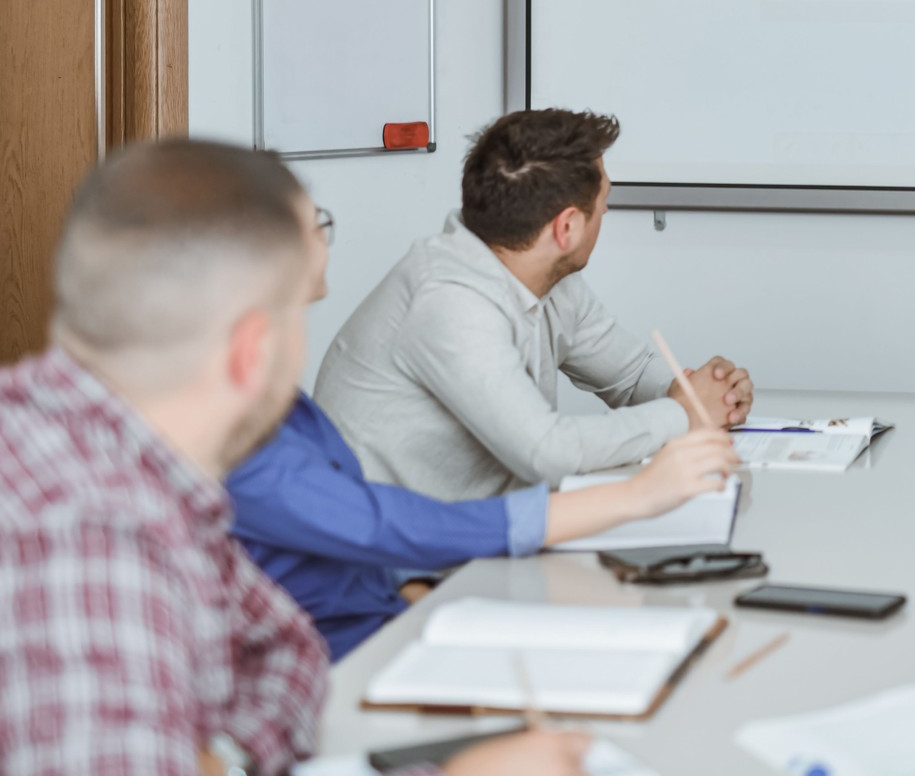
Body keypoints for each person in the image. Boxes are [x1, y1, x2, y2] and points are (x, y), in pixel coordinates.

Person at [0, 138, 584, 775]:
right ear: (252, 353)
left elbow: (288, 654)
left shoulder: (130, 467)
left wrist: (218, 760)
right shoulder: (90, 531)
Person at [230, 204, 738, 659]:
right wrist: (637, 494)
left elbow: (366, 536)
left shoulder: (282, 405)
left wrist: (414, 594)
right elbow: (390, 523)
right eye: (312, 219)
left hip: (404, 601)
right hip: (356, 652)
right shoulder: (232, 445)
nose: (324, 229)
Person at [316, 108, 754, 500]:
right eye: (604, 205)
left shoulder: (547, 276)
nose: (605, 215)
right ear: (567, 227)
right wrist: (684, 412)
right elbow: (547, 452)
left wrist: (707, 396)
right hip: (401, 567)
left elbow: (632, 375)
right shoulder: (447, 300)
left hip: (491, 529)